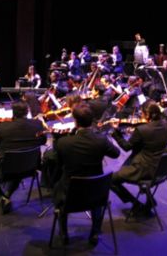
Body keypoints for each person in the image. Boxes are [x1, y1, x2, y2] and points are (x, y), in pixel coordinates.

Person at [52, 104, 120, 246]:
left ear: (75, 122)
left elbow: (58, 166)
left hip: (69, 194)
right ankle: (95, 232)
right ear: (92, 121)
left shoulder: (63, 142)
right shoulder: (101, 140)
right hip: (96, 192)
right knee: (96, 199)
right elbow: (116, 154)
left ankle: (64, 234)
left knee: (58, 185)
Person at [0, 101, 45, 214]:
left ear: (13, 113)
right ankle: (7, 195)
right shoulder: (37, 124)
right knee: (17, 165)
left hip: (5, 169)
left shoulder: (3, 128)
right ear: (27, 112)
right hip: (29, 167)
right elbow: (43, 140)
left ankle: (1, 197)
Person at [109, 102, 167, 217]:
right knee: (127, 165)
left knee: (110, 180)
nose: (140, 116)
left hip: (143, 169)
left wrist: (116, 132)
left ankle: (136, 204)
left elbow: (126, 147)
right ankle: (149, 198)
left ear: (147, 115)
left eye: (141, 113)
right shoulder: (165, 124)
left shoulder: (142, 130)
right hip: (160, 167)